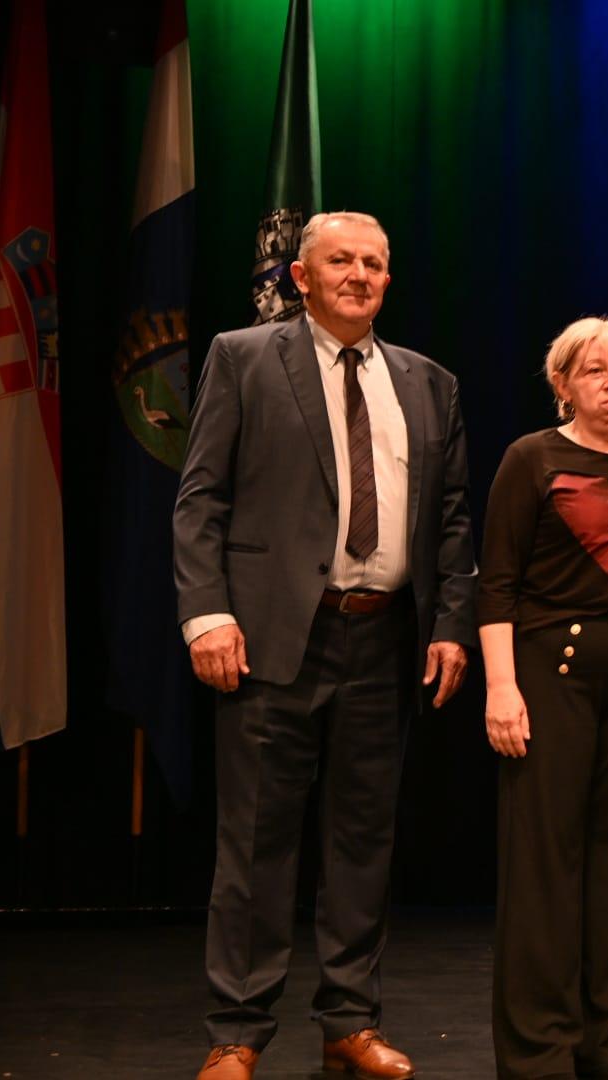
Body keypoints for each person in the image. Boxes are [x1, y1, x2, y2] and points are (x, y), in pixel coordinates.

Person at [174, 211, 477, 1080]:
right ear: (301, 277)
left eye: (374, 263)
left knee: (362, 842)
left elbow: (452, 519)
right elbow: (200, 499)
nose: (359, 275)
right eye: (340, 260)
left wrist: (451, 624)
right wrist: (206, 614)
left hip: (385, 639)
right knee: (256, 844)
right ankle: (237, 1031)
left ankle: (349, 1021)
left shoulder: (429, 383)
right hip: (272, 638)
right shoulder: (244, 357)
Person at [478, 317, 608, 1079]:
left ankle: (598, 1041)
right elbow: (496, 584)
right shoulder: (531, 458)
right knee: (544, 872)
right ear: (563, 384)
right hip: (547, 682)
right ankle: (538, 1053)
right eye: (595, 370)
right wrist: (502, 688)